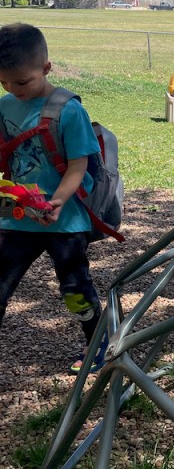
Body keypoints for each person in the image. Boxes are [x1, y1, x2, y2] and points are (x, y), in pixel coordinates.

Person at [0, 23, 104, 373]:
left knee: (75, 289)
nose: (13, 90)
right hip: (17, 219)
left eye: (21, 82)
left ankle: (97, 343)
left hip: (66, 221)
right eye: (3, 83)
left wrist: (58, 201)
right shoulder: (4, 106)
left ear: (46, 68)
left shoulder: (69, 110)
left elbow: (78, 166)